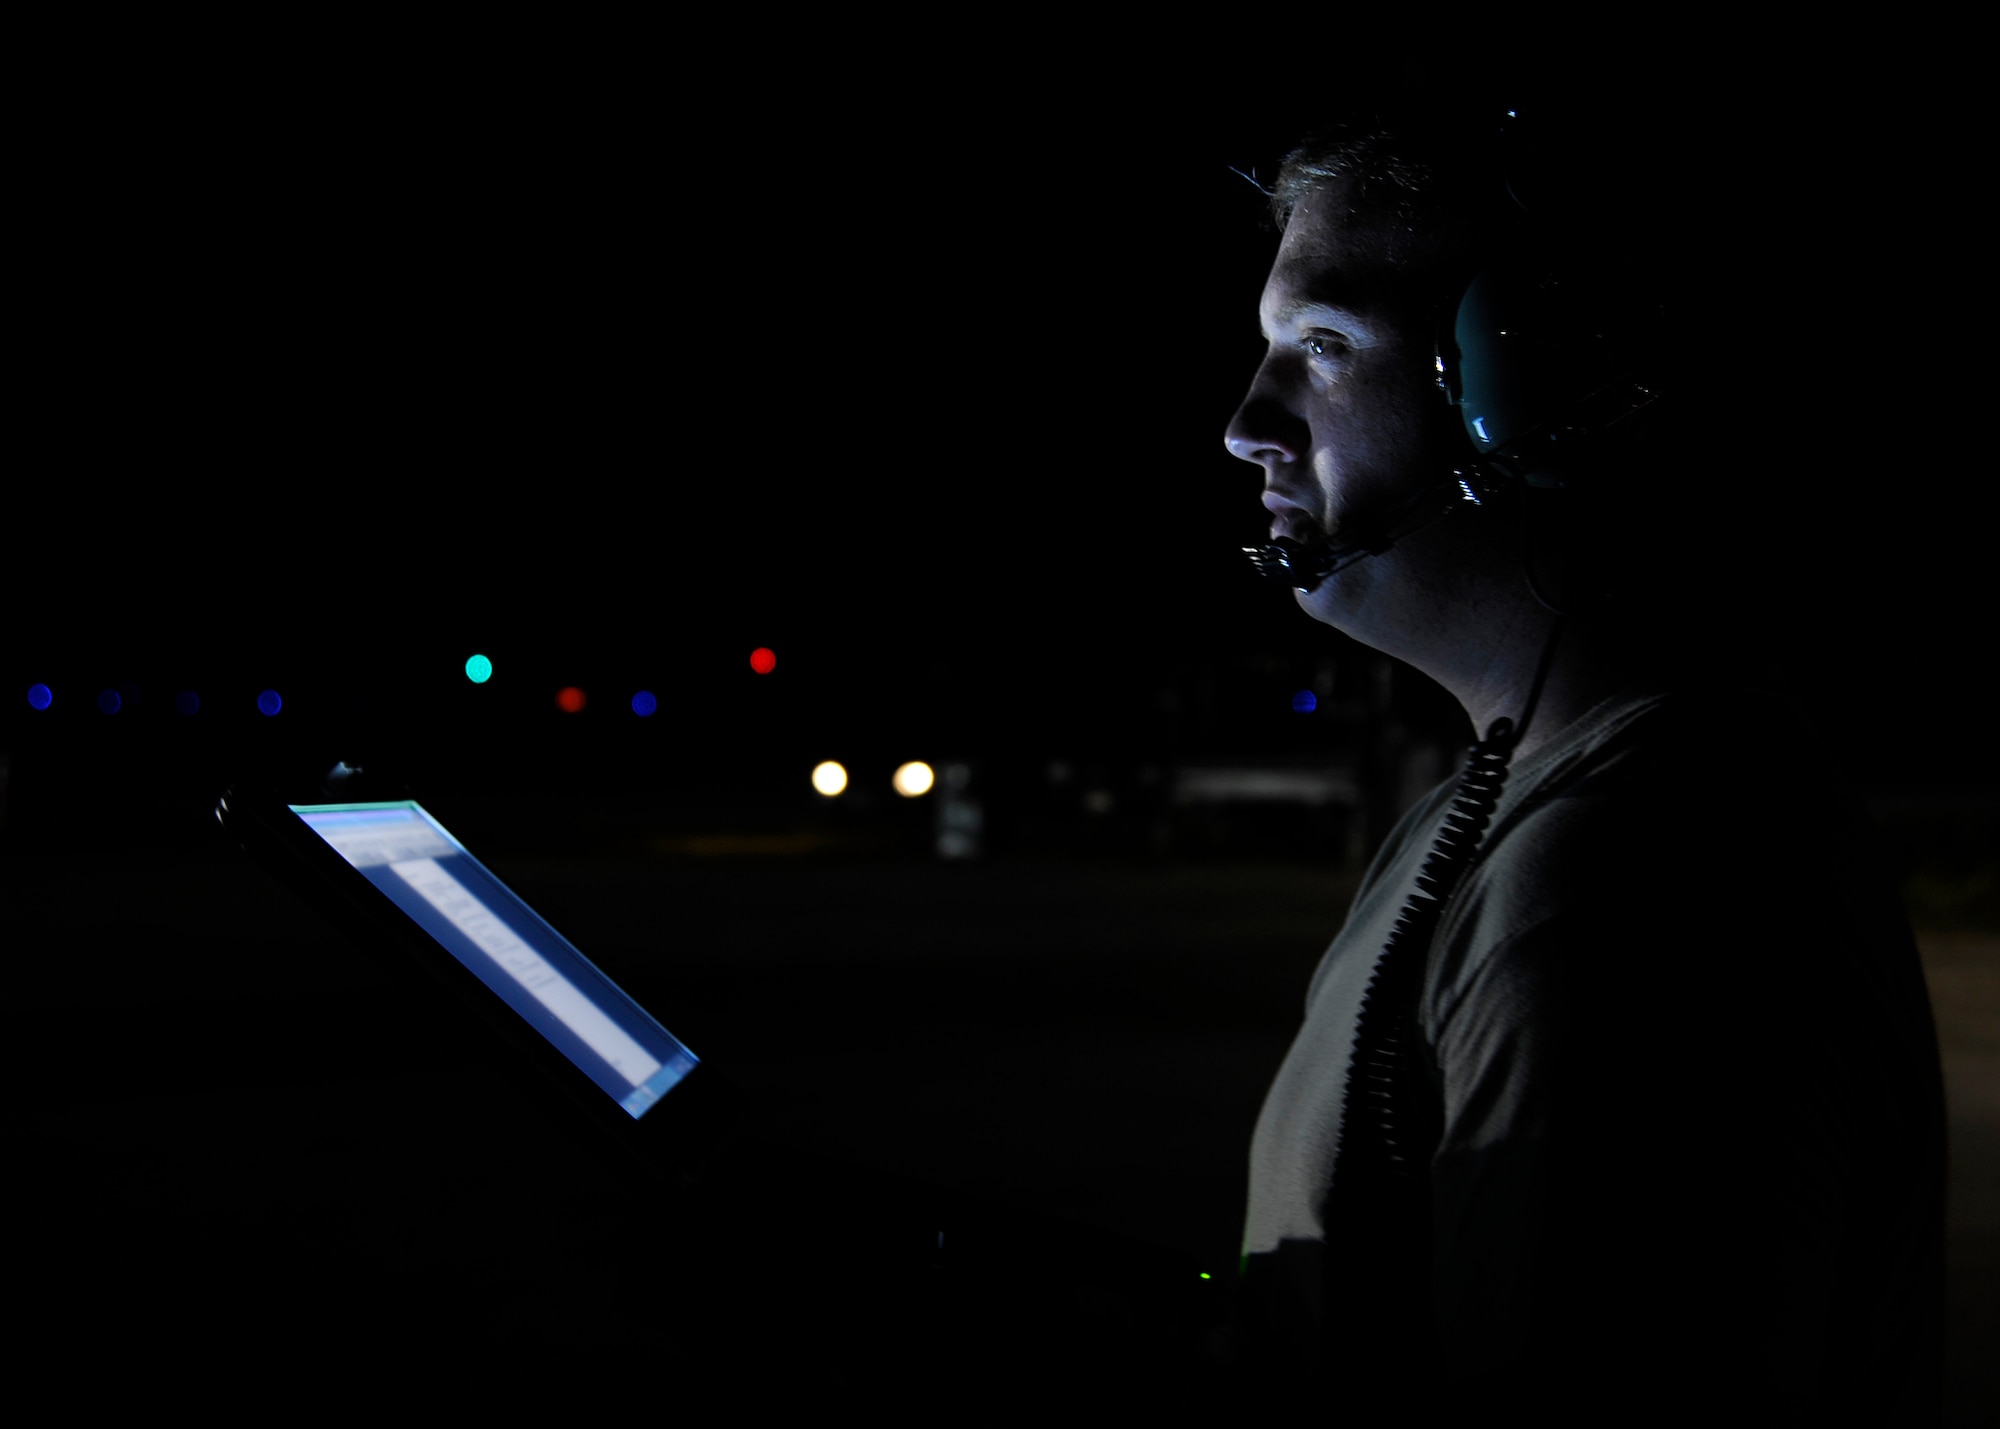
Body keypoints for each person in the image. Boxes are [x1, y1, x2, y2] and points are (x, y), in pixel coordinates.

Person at [1216, 92, 1946, 1422]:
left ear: (1520, 388)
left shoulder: (1643, 881)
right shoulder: (1504, 807)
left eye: (1322, 343)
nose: (1248, 422)